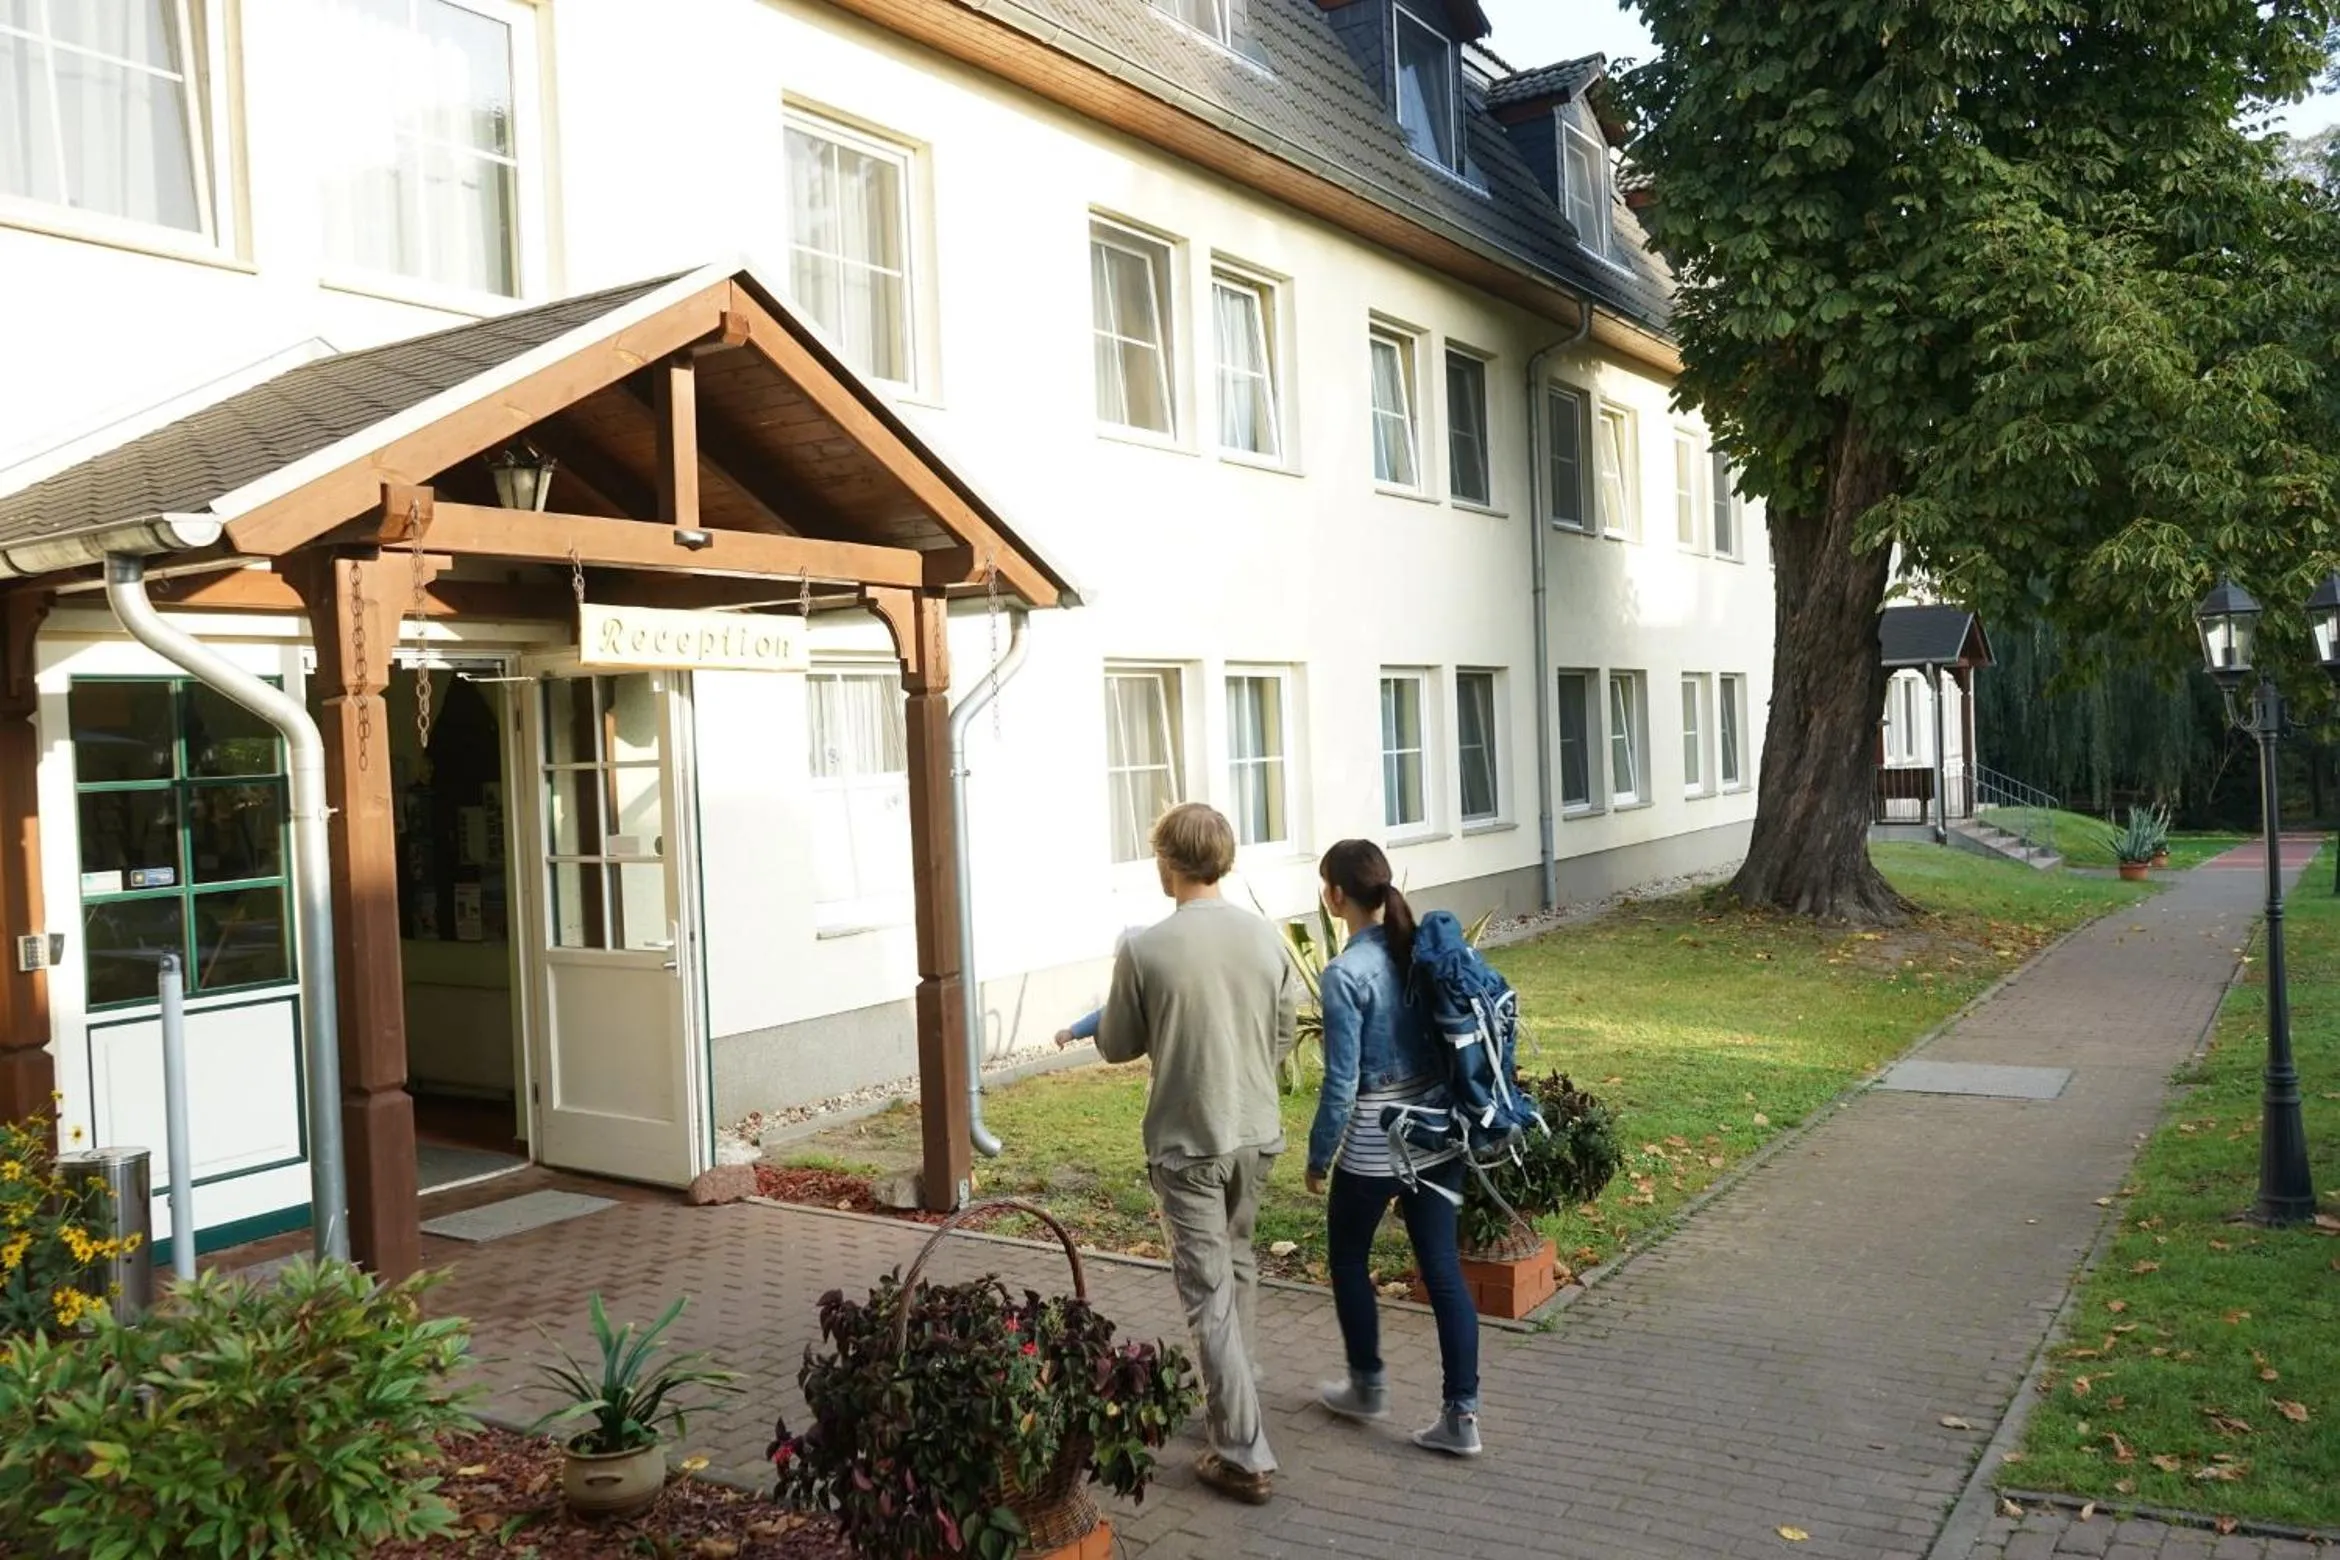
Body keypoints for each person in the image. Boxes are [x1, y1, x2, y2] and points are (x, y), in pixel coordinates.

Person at [1093, 803, 1298, 1506]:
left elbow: (1117, 1043)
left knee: (1208, 1288)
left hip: (1188, 1142)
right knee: (1236, 1268)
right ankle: (1233, 1400)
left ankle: (1243, 1452)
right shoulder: (1265, 938)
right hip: (1256, 1134)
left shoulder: (1145, 949)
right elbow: (1281, 1035)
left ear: (1168, 862)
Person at [1305, 839, 1482, 1457]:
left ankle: (1367, 1385)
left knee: (1349, 1260)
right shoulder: (1418, 949)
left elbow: (1341, 1083)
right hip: (1439, 1129)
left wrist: (1318, 1156)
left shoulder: (1344, 974)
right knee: (1444, 1270)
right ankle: (1461, 1416)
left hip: (1378, 1141)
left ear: (1335, 897)